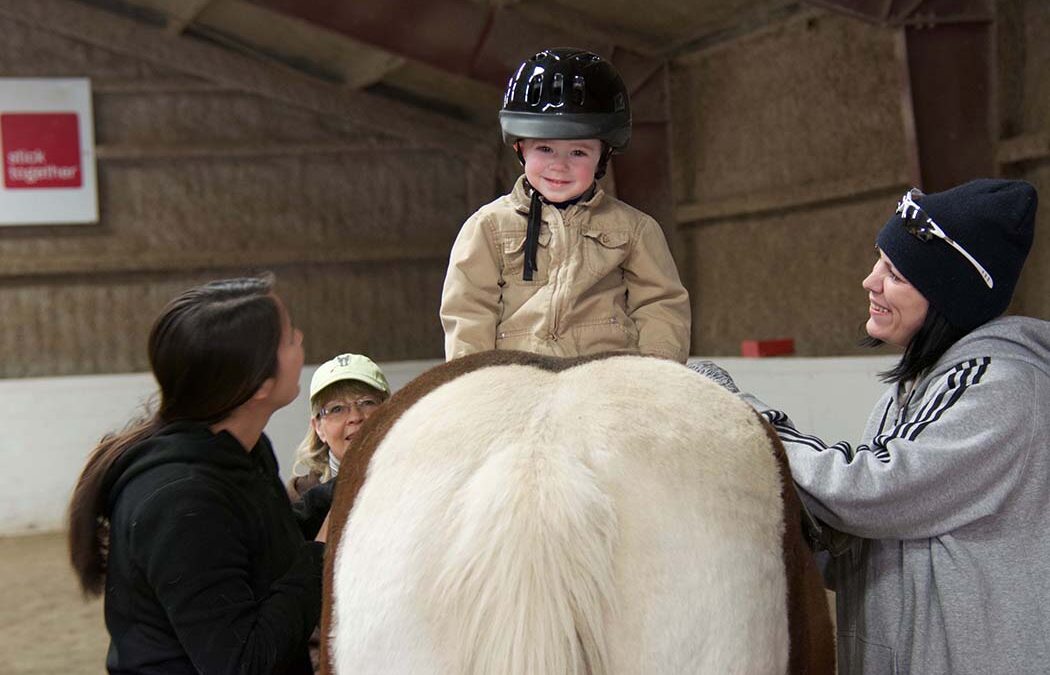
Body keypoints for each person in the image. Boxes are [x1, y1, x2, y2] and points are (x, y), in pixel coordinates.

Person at [694, 178, 1050, 674]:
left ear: (951, 297)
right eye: (879, 261)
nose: (870, 281)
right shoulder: (905, 395)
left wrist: (741, 416)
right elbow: (861, 551)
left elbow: (871, 491)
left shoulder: (1001, 389)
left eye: (896, 273)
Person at [67, 275, 325, 674]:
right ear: (257, 382)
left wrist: (342, 490)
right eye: (289, 337)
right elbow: (243, 662)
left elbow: (261, 548)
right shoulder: (180, 500)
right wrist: (320, 557)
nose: (300, 338)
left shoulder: (243, 449)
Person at [440, 47, 691, 363]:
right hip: (517, 375)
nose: (559, 166)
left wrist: (658, 369)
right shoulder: (488, 227)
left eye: (578, 153)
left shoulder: (634, 229)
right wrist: (473, 380)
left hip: (606, 375)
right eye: (545, 149)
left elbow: (659, 303)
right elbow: (470, 307)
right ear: (520, 148)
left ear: (603, 157)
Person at [287, 353, 390, 504]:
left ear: (391, 411)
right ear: (319, 428)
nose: (355, 417)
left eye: (367, 402)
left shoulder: (417, 480)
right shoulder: (298, 501)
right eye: (336, 409)